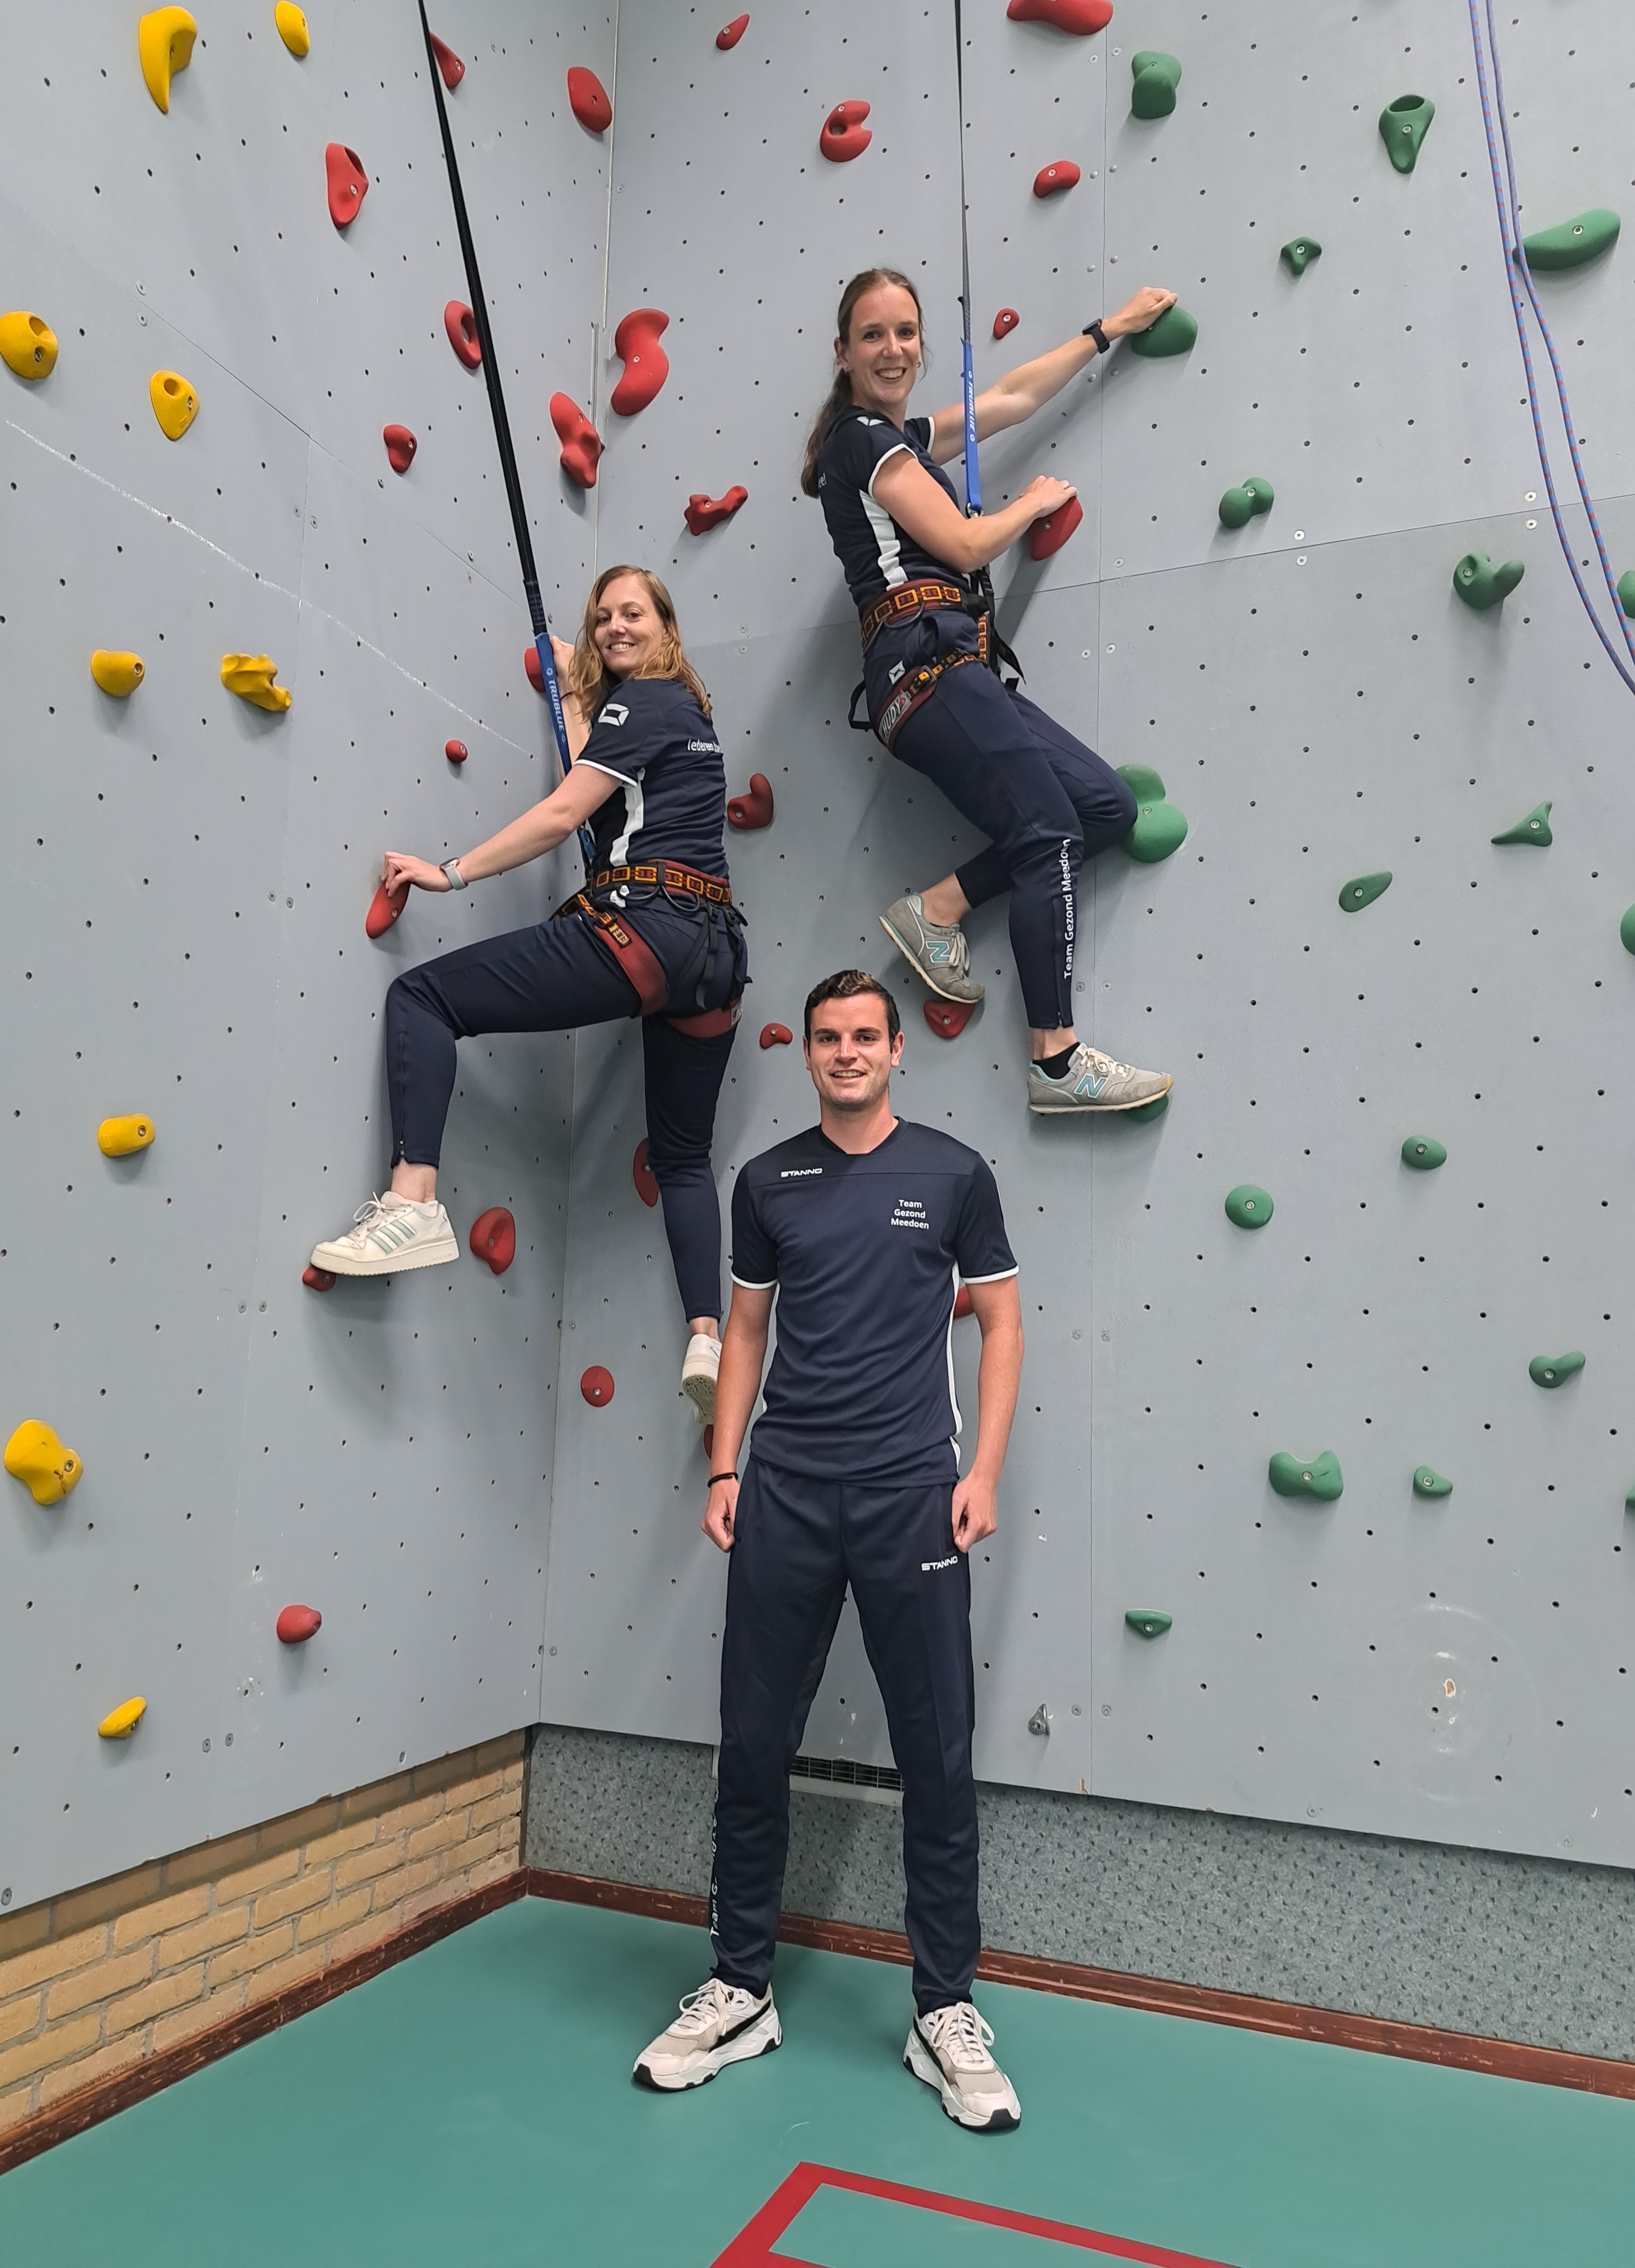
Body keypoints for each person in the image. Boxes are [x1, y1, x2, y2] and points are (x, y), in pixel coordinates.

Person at [633, 970, 1026, 2131]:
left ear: (899, 1048)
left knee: (937, 1755)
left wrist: (984, 1473)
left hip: (913, 1494)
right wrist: (724, 1464)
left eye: (866, 1035)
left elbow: (1001, 1321)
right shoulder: (769, 1181)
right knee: (752, 1742)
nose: (847, 1052)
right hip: (788, 1494)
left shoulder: (955, 1175)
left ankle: (943, 2008)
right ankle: (741, 1986)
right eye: (827, 1038)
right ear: (806, 1053)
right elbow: (745, 1328)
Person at [307, 567, 747, 1422]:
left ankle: (414, 1204)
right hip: (715, 959)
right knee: (684, 1157)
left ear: (668, 626)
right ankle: (708, 1335)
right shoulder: (688, 716)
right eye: (603, 616)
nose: (617, 625)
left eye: (634, 614)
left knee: (424, 1001)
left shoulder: (646, 702)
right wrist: (571, 683)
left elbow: (561, 812)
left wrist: (450, 871)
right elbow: (597, 781)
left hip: (641, 931)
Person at [804, 267, 1178, 1116]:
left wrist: (1107, 327)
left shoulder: (900, 438)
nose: (893, 349)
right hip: (922, 666)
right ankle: (1055, 1059)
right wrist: (1033, 502)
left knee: (1103, 811)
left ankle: (938, 909)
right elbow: (968, 547)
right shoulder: (860, 441)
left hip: (954, 669)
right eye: (873, 336)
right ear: (844, 353)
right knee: (1046, 831)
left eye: (906, 333)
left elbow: (1009, 397)